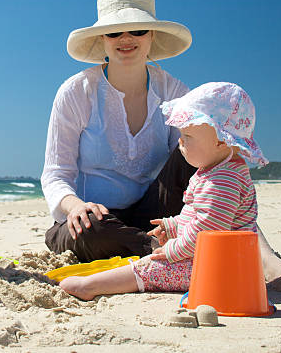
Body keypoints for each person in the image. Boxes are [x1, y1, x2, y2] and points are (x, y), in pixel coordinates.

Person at [59, 82, 268, 299]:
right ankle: (94, 283)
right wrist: (173, 225)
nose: (180, 141)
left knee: (151, 267)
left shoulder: (223, 180)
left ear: (221, 141)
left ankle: (90, 287)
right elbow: (199, 216)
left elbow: (208, 231)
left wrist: (172, 251)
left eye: (188, 136)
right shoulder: (218, 170)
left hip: (221, 268)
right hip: (220, 260)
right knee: (153, 261)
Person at [42, 0, 196, 263]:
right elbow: (55, 175)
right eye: (114, 32)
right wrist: (75, 206)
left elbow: (197, 165)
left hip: (157, 215)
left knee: (198, 147)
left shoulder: (174, 92)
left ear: (151, 36)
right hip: (97, 221)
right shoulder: (77, 92)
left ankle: (231, 241)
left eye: (137, 30)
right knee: (91, 230)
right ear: (103, 39)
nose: (126, 38)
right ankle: (163, 250)